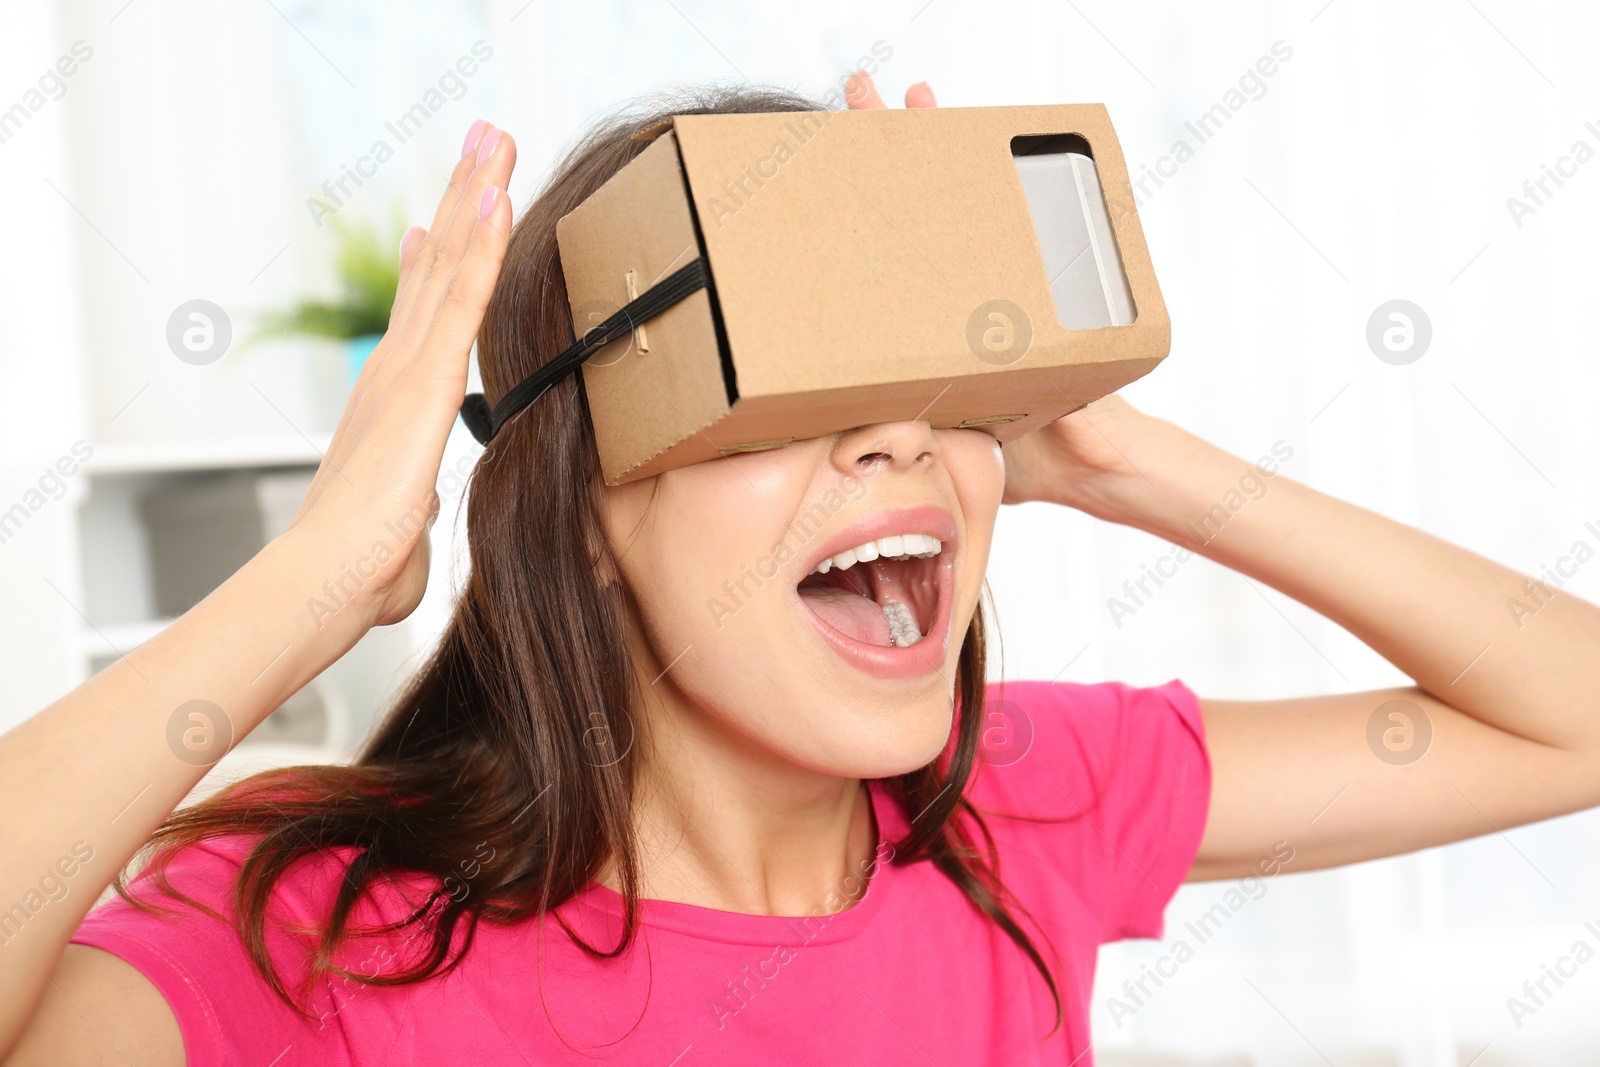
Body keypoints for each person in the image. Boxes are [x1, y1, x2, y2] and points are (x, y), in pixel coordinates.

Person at [2, 73, 1597, 1066]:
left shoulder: (1017, 810)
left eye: (929, 402)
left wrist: (1131, 464)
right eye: (799, 397)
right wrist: (319, 580)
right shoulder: (326, 927)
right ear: (585, 514)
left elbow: (1574, 719)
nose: (897, 448)